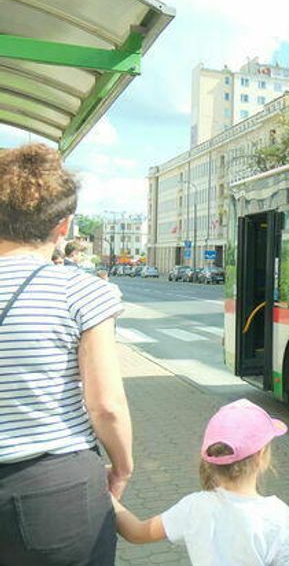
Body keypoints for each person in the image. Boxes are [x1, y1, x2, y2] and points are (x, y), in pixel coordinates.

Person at [0, 143, 132, 565]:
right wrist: (122, 466)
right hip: (51, 492)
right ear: (64, 224)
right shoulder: (80, 290)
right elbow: (106, 405)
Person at [111, 399, 289, 565]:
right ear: (261, 456)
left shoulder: (193, 506)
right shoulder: (278, 516)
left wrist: (106, 495)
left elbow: (137, 533)